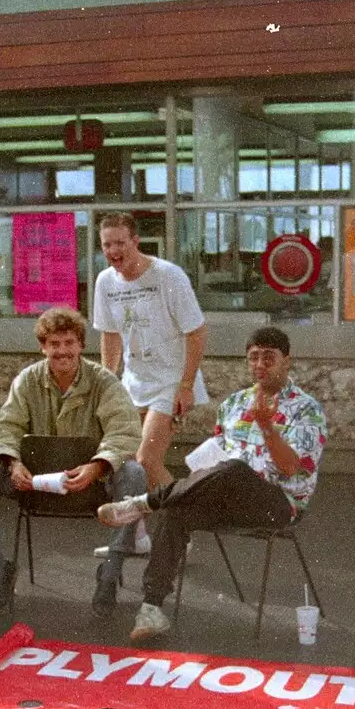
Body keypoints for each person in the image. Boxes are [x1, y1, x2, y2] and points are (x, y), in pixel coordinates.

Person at [98, 326, 326, 644]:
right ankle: (151, 608)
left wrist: (266, 427)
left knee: (234, 469)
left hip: (277, 504)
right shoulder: (233, 404)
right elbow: (216, 452)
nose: (260, 364)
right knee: (178, 510)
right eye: (253, 358)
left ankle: (146, 502)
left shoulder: (306, 410)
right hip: (226, 496)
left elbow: (290, 468)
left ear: (287, 361)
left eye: (269, 358)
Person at [0, 306, 146, 618]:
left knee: (133, 472)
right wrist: (13, 463)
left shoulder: (104, 382)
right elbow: (7, 426)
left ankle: (109, 574)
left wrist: (98, 465)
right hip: (34, 484)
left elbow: (124, 431)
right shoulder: (27, 380)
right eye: (54, 344)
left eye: (69, 343)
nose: (62, 351)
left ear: (81, 344)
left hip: (91, 486)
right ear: (43, 347)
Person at [91, 212, 208, 556]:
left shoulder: (168, 276)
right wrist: (107, 382)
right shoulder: (105, 282)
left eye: (120, 243)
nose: (113, 250)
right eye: (106, 244)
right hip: (134, 382)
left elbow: (197, 332)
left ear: (135, 242)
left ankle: (179, 531)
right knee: (124, 463)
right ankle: (135, 538)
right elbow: (110, 335)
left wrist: (186, 385)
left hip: (170, 381)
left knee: (147, 457)